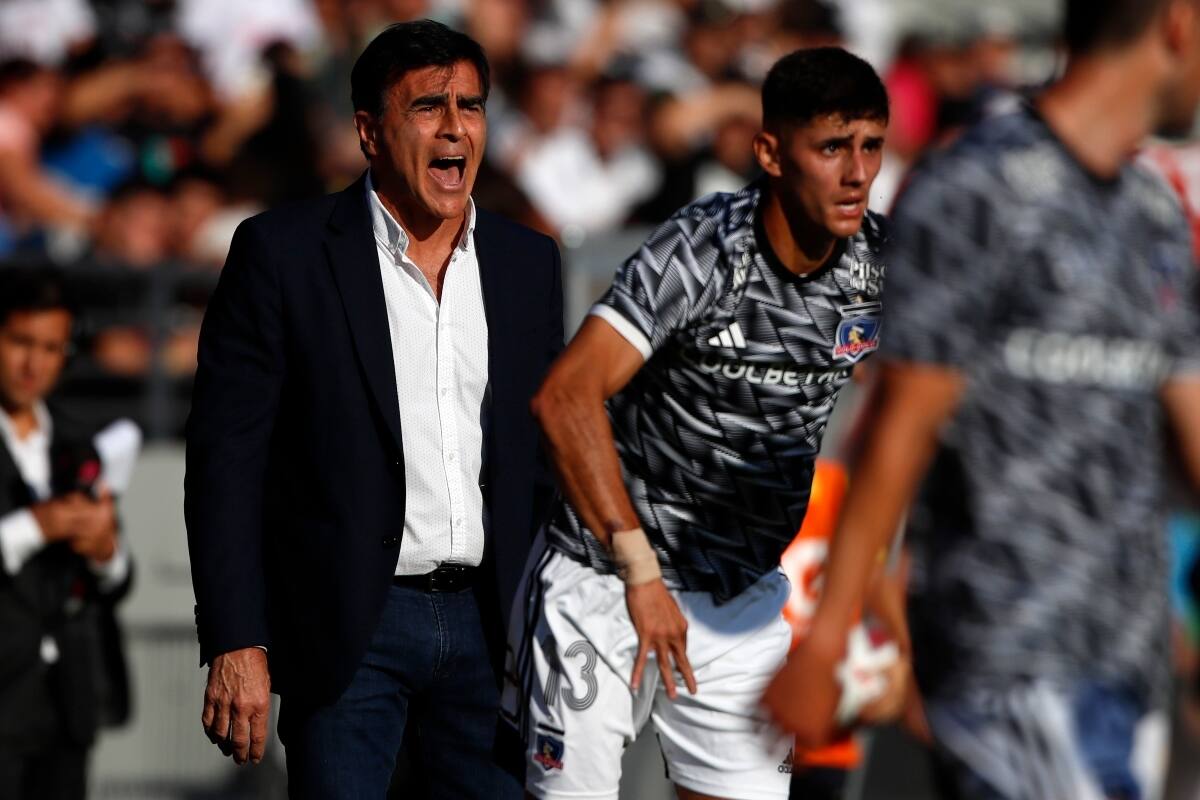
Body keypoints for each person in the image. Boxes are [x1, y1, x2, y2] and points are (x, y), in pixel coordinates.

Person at [764, 1, 1200, 798]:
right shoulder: (975, 189)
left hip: (1128, 669)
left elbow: (1190, 429)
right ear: (1176, 24)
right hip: (1008, 659)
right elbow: (899, 429)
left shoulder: (1153, 214)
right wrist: (826, 643)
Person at [500, 47, 898, 800]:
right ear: (770, 153)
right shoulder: (704, 248)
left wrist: (888, 608)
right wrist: (640, 571)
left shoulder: (879, 266)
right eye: (831, 148)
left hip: (741, 597)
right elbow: (565, 397)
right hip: (606, 580)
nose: (856, 173)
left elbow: (920, 419)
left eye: (871, 146)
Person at [184, 19, 563, 799]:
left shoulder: (528, 262)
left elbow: (541, 464)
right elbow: (227, 462)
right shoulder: (282, 253)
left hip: (491, 628)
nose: (455, 127)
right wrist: (236, 637)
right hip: (350, 629)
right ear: (368, 132)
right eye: (427, 106)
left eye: (471, 106)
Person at [0, 267, 133, 800]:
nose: (34, 363)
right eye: (20, 342)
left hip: (68, 706)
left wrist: (105, 551)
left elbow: (119, 577)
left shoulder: (80, 441)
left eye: (52, 348)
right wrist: (34, 527)